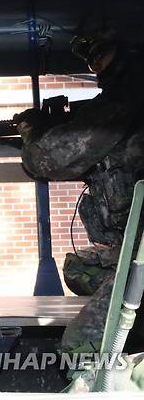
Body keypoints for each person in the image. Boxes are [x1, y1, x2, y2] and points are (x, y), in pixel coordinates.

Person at [16, 23, 144, 356]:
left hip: (141, 259)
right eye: (92, 60)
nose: (97, 66)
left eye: (102, 54)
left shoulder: (125, 101)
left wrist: (32, 131)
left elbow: (49, 159)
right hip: (133, 253)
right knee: (78, 268)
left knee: (80, 347)